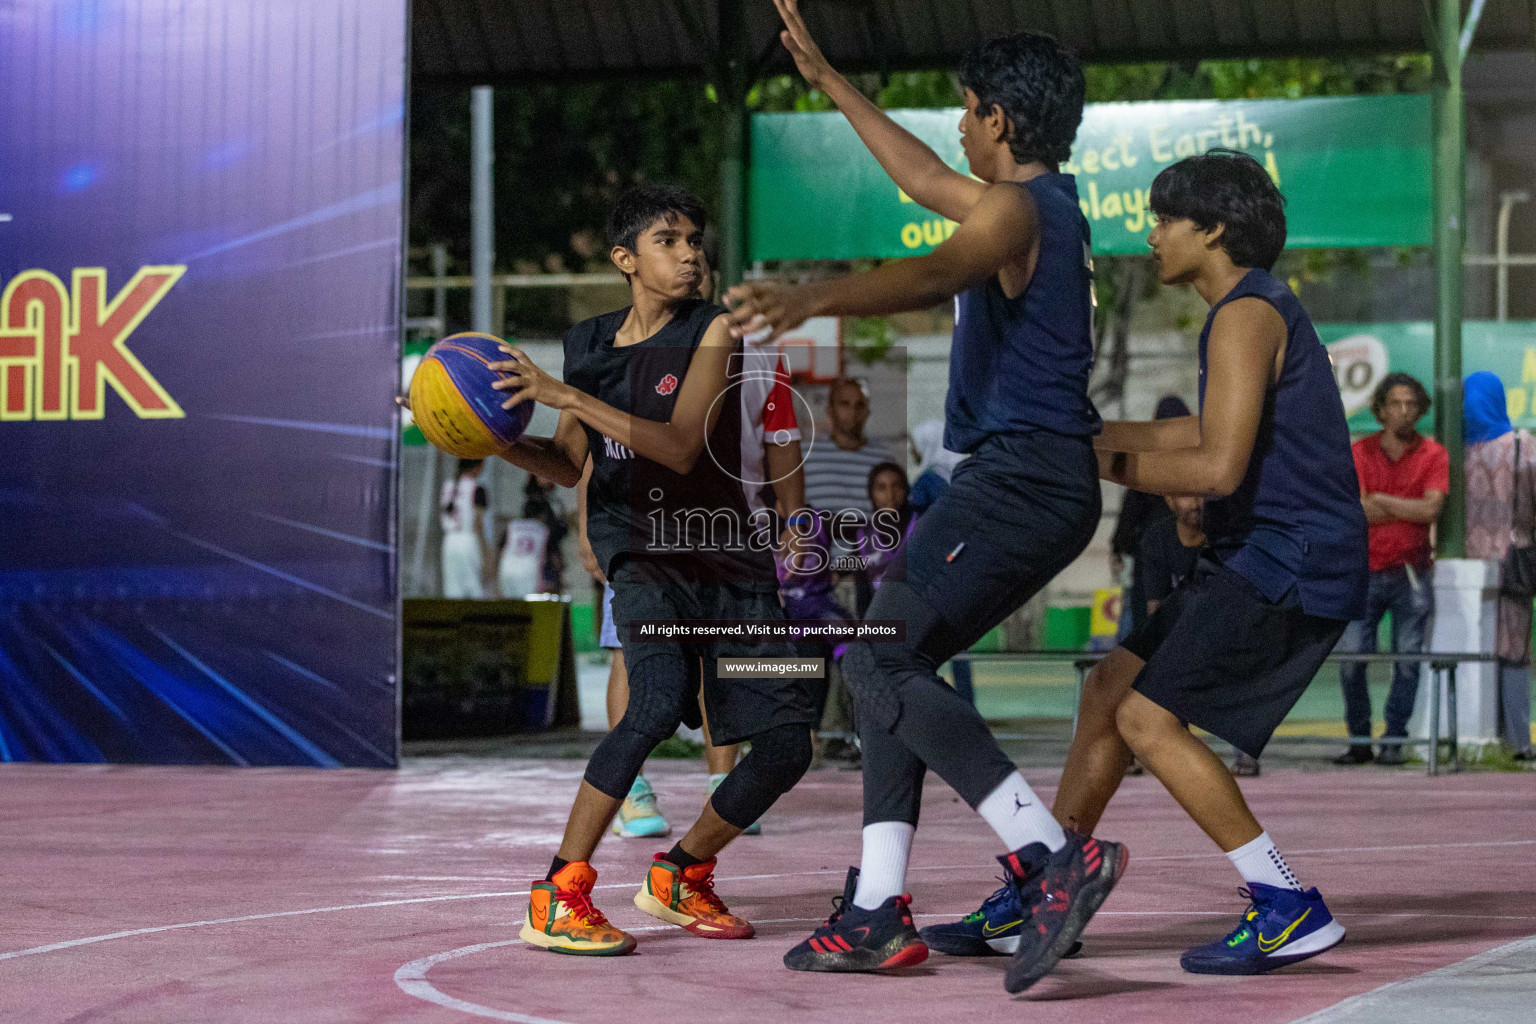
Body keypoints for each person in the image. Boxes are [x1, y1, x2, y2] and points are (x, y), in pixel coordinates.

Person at [728, 6, 1122, 990]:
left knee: (875, 660)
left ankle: (1049, 857)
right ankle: (874, 909)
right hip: (1027, 480)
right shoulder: (1036, 203)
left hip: (1021, 478)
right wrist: (824, 76)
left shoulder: (1019, 212)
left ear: (998, 119)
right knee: (879, 672)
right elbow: (917, 177)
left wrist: (812, 298)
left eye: (965, 113)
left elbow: (937, 267)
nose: (956, 129)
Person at [949, 149, 1364, 978]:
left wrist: (1077, 464)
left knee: (1144, 717)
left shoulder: (1249, 313)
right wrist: (1076, 440)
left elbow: (1213, 471)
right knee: (1108, 689)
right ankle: (1048, 887)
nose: (1151, 236)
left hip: (1292, 557)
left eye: (1165, 220)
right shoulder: (1244, 313)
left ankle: (1284, 904)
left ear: (1212, 229)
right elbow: (1188, 434)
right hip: (1260, 550)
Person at [480, 182, 816, 955]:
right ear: (625, 258)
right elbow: (567, 464)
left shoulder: (716, 330)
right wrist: (495, 440)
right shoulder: (589, 345)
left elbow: (679, 445)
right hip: (645, 553)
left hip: (731, 558)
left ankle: (681, 872)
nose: (691, 252)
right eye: (669, 240)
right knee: (656, 699)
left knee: (789, 742)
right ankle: (560, 890)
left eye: (695, 239)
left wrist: (567, 394)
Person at [1334, 374, 1447, 766]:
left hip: (1412, 571)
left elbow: (1431, 510)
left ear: (1421, 409)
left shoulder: (1433, 455)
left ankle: (1394, 740)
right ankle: (1360, 739)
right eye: (1396, 404)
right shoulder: (1359, 453)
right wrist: (1405, 506)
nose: (1404, 411)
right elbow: (1355, 510)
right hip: (1362, 571)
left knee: (1409, 659)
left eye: (1411, 404)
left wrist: (1380, 499)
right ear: (1380, 410)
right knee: (1351, 658)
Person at [1463, 372, 1536, 761]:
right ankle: (1518, 742)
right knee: (1513, 651)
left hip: (1461, 570)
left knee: (1471, 650)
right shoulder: (1524, 446)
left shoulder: (1453, 450)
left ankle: (1478, 736)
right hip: (1513, 564)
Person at [1111, 396, 1193, 639]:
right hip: (1186, 545)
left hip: (1149, 548)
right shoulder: (1195, 457)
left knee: (1145, 614)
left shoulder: (1146, 459)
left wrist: (1118, 546)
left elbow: (1131, 509)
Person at [440, 458, 488, 598]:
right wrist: (485, 551)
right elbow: (478, 523)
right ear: (476, 468)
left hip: (449, 542)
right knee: (474, 588)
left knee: (452, 590)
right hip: (468, 540)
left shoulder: (447, 485)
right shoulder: (477, 488)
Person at [908, 420, 962, 516]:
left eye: (915, 445)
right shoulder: (960, 475)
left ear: (926, 445)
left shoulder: (927, 480)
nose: (912, 451)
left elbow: (912, 507)